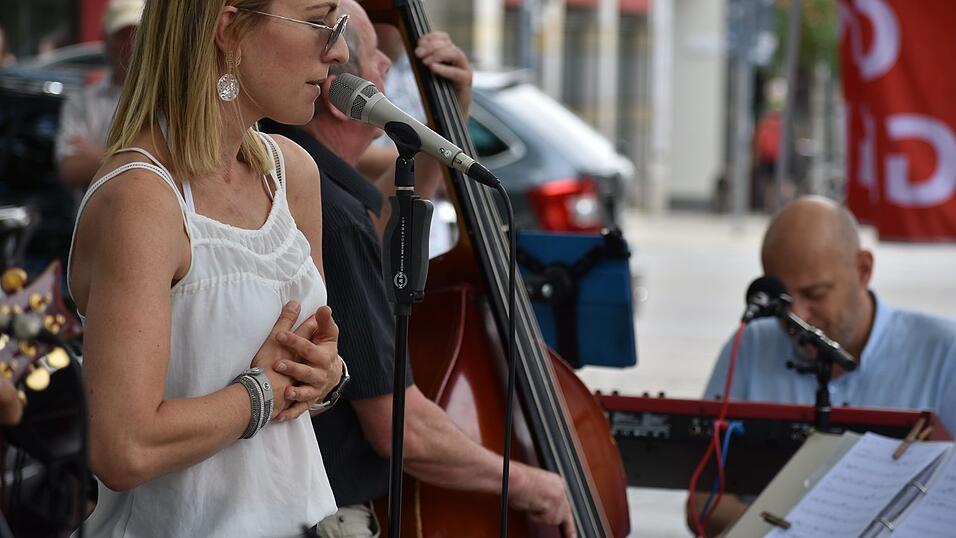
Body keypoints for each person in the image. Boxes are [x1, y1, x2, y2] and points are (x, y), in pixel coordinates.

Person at [262, 2, 575, 536]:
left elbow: (376, 232)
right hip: (326, 513)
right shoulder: (332, 215)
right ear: (341, 99)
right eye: (376, 54)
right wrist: (531, 484)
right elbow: (396, 423)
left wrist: (434, 137)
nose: (388, 66)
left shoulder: (312, 185)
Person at [67, 1, 350, 535]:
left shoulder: (292, 172)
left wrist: (324, 377)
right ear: (229, 28)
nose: (339, 50)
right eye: (320, 23)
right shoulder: (144, 198)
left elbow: (301, 379)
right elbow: (123, 448)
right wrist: (261, 393)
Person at [692, 195, 956, 534]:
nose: (799, 316)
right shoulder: (751, 344)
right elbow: (702, 500)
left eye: (815, 294)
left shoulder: (944, 351)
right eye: (784, 300)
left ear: (863, 270)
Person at [55, 0, 143, 187]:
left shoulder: (163, 100)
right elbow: (70, 169)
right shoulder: (81, 102)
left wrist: (99, 155)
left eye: (136, 33)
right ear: (105, 38)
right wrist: (136, 159)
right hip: (92, 214)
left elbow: (173, 164)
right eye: (121, 34)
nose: (130, 43)